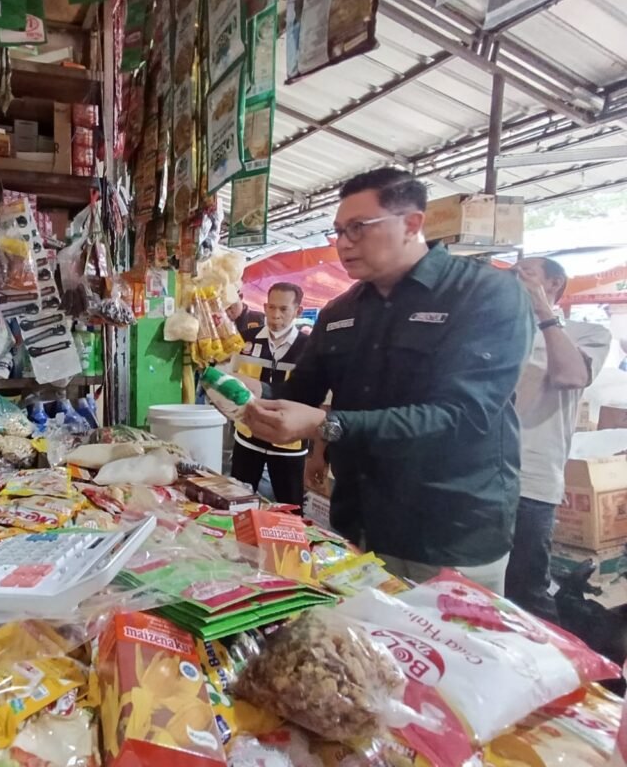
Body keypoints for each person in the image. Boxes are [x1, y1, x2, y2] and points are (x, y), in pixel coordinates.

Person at [240, 167, 533, 594]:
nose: (343, 243)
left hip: (445, 535)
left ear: (412, 223)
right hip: (359, 523)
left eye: (357, 228)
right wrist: (252, 394)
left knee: (447, 655)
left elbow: (463, 416)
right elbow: (297, 395)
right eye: (338, 231)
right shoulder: (340, 313)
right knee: (359, 650)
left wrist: (325, 425)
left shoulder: (485, 295)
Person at [505, 257, 611, 619]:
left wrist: (541, 308)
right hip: (480, 476)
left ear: (554, 283)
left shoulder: (588, 333)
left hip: (531, 480)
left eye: (528, 272)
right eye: (513, 271)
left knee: (525, 590)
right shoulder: (499, 328)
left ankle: (559, 667)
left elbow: (570, 376)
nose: (516, 276)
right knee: (479, 582)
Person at [231, 282, 309, 506]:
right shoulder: (244, 339)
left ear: (298, 311)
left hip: (289, 442)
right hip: (248, 435)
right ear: (264, 307)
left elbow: (320, 400)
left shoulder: (310, 348)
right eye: (271, 307)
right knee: (238, 502)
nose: (275, 315)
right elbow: (230, 377)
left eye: (283, 309)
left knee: (290, 507)